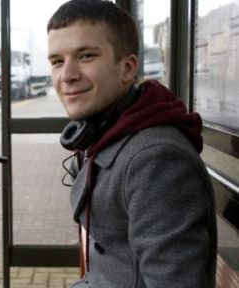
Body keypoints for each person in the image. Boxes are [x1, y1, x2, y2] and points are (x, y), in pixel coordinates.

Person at [47, 1, 217, 287]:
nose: (67, 75)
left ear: (127, 68)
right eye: (57, 62)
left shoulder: (156, 161)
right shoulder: (107, 134)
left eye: (86, 56)